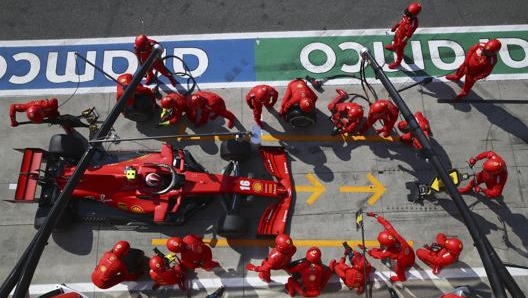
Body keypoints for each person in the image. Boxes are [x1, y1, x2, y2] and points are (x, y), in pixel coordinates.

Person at [367, 212, 415, 282]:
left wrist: (368, 251)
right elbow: (387, 224)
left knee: (398, 269)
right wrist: (375, 216)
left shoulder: (389, 253)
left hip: (405, 263)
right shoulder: (395, 235)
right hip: (411, 254)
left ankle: (401, 278)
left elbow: (378, 255)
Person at [385, 2, 421, 69]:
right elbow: (401, 21)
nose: (406, 14)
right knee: (395, 42)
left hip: (402, 39)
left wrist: (401, 43)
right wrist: (395, 27)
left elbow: (408, 35)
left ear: (414, 15)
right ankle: (394, 47)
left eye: (409, 13)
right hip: (398, 33)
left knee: (399, 50)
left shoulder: (413, 24)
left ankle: (398, 62)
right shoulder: (406, 15)